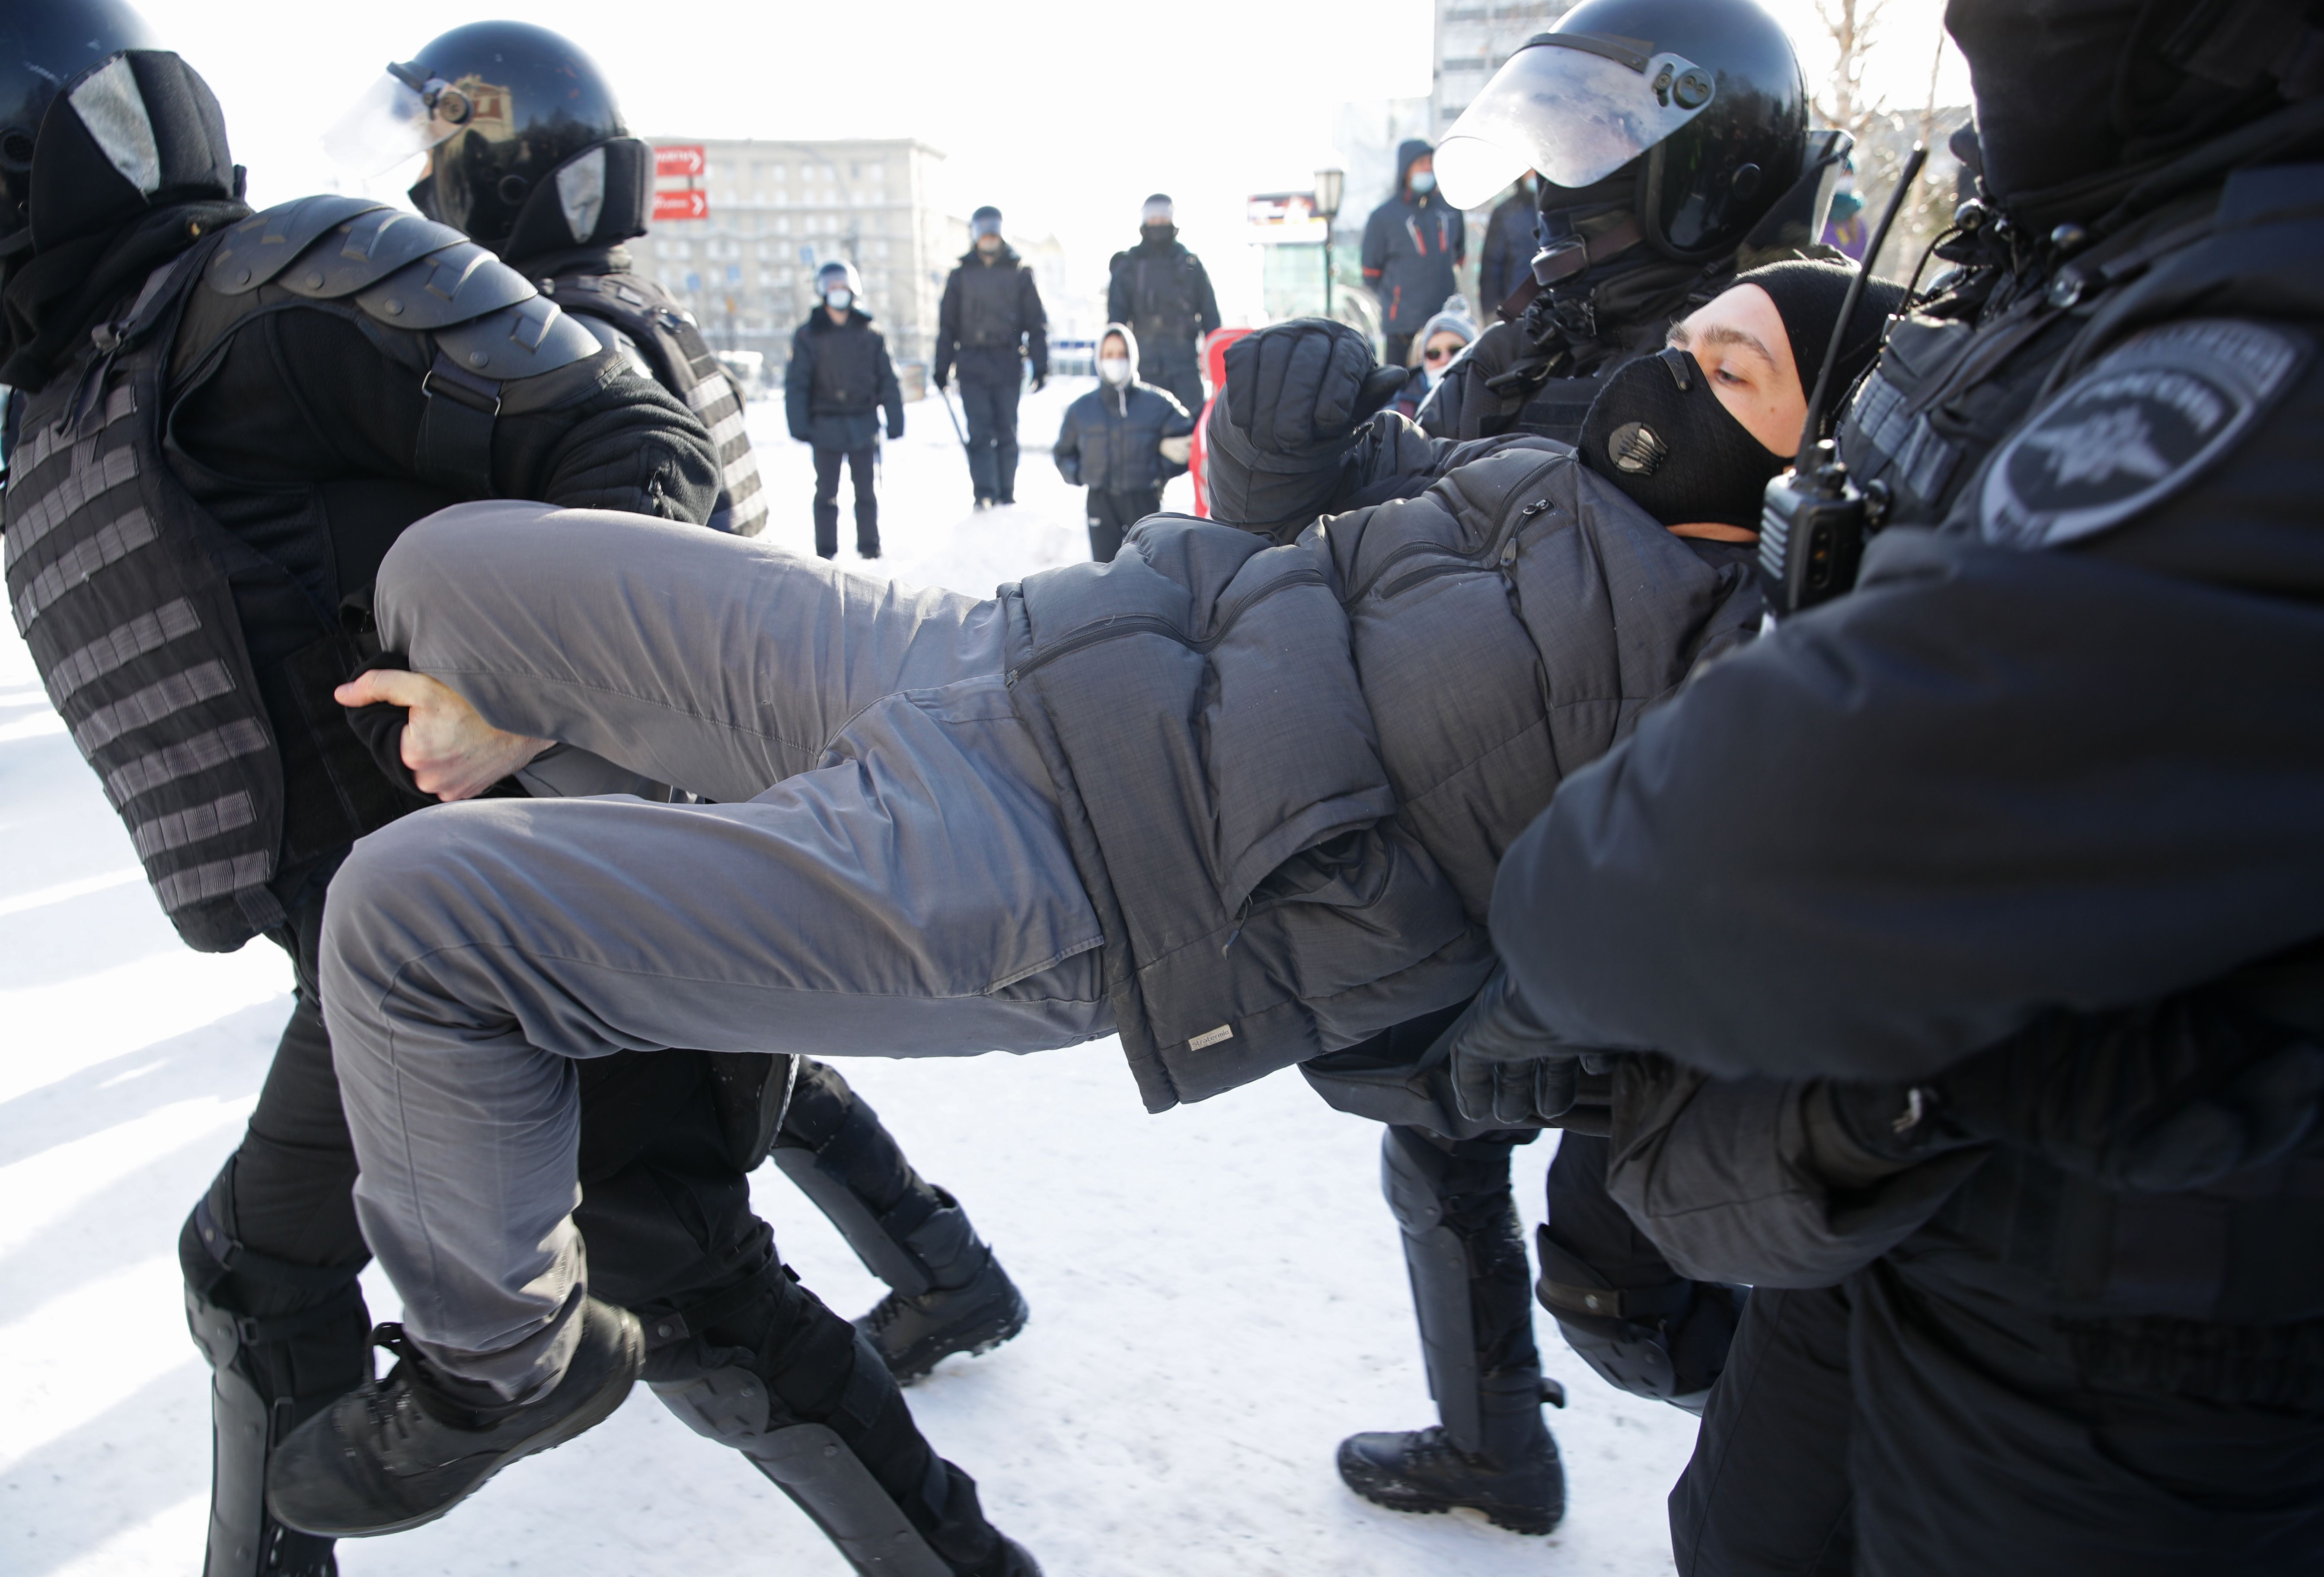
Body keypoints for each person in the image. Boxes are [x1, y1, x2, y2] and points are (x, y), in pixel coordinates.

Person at [254, 248, 1883, 1532]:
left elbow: (1660, 1107)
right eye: (1688, 335)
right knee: (453, 575)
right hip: (1024, 646)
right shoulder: (1550, 477)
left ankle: (499, 1359)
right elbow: (1280, 530)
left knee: (412, 920)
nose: (1671, 365)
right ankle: (638, 910)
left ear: (1812, 464)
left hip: (1077, 870)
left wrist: (1438, 1006)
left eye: (1728, 365)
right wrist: (1278, 437)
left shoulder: (1739, 690)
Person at [0, 14, 1031, 1577]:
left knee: (680, 1288)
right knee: (256, 1269)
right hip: (377, 955)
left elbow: (636, 450)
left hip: (546, 920)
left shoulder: (273, 294)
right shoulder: (86, 389)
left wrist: (526, 703)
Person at [1440, 0, 2324, 1571]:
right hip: (1909, 1205)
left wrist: (1559, 948)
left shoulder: (2250, 291)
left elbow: (1793, 828)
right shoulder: (2082, 248)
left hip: (2132, 1335)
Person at [400, 21, 1028, 1398]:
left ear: (506, 172)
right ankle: (942, 1270)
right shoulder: (629, 309)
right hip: (706, 758)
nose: (419, 184)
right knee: (753, 1055)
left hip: (659, 770)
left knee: (708, 1081)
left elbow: (622, 591)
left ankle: (831, 1302)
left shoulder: (556, 340)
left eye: (437, 151)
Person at [1302, 0, 1847, 1536]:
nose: (1552, 192)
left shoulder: (1790, 351)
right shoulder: (1530, 325)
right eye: (1551, 144)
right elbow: (1386, 538)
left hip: (1667, 900)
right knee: (1432, 1141)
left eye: (1593, 150)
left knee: (1624, 1270)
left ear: (1697, 168)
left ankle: (1841, 1463)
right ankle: (1489, 1441)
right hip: (1480, 834)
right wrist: (1310, 476)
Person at [1418, 0, 1848, 445]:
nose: (1562, 173)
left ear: (1701, 174)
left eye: (1601, 137)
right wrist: (1351, 443)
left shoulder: (1800, 356)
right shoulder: (1510, 360)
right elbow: (1397, 485)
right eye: (1560, 145)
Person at [786, 259, 904, 560]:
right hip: (825, 426)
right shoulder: (808, 335)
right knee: (826, 493)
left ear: (853, 290)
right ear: (823, 291)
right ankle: (826, 553)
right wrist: (798, 423)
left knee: (866, 491)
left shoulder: (871, 333)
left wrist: (895, 418)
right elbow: (797, 382)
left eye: (844, 286)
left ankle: (870, 548)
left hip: (863, 424)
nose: (839, 292)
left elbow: (888, 379)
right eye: (832, 287)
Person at [933, 207, 1047, 509]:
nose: (989, 236)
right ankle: (984, 492)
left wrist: (1042, 362)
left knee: (1007, 430)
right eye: (983, 230)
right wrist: (941, 367)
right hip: (971, 363)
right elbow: (948, 325)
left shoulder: (1020, 273)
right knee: (980, 432)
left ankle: (1006, 492)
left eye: (993, 229)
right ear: (975, 235)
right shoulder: (960, 276)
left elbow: (1036, 323)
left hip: (1008, 362)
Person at [1051, 322, 1194, 562]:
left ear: (1132, 357)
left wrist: (1159, 471)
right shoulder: (1082, 409)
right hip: (1100, 502)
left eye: (1121, 355)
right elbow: (1063, 453)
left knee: (1147, 569)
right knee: (1104, 570)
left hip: (1143, 500)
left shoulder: (1156, 403)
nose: (1115, 361)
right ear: (1099, 359)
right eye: (1109, 355)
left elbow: (1189, 441)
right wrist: (1081, 474)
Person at [1105, 194, 1220, 416]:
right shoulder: (1128, 266)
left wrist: (1219, 365)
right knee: (1144, 434)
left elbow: (1211, 319)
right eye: (1153, 218)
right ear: (1144, 222)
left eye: (1163, 217)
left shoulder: (1191, 266)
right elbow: (1116, 325)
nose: (1158, 222)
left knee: (1191, 431)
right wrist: (1116, 368)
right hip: (1143, 370)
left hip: (1186, 369)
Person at [1362, 140, 1465, 368]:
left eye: (1431, 162)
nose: (1427, 168)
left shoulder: (1450, 209)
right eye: (1420, 163)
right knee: (1402, 390)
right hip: (1402, 327)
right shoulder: (1383, 216)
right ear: (1405, 169)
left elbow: (1460, 257)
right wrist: (1399, 299)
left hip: (1445, 323)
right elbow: (1370, 272)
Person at [1389, 297, 1476, 421]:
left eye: (1456, 350)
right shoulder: (1400, 413)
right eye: (1434, 354)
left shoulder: (1495, 400)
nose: (1445, 360)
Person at [1475, 172, 1541, 315]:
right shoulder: (1505, 213)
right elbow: (1491, 268)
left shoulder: (1563, 207)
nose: (1535, 173)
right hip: (1518, 312)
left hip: (1559, 310)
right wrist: (1493, 315)